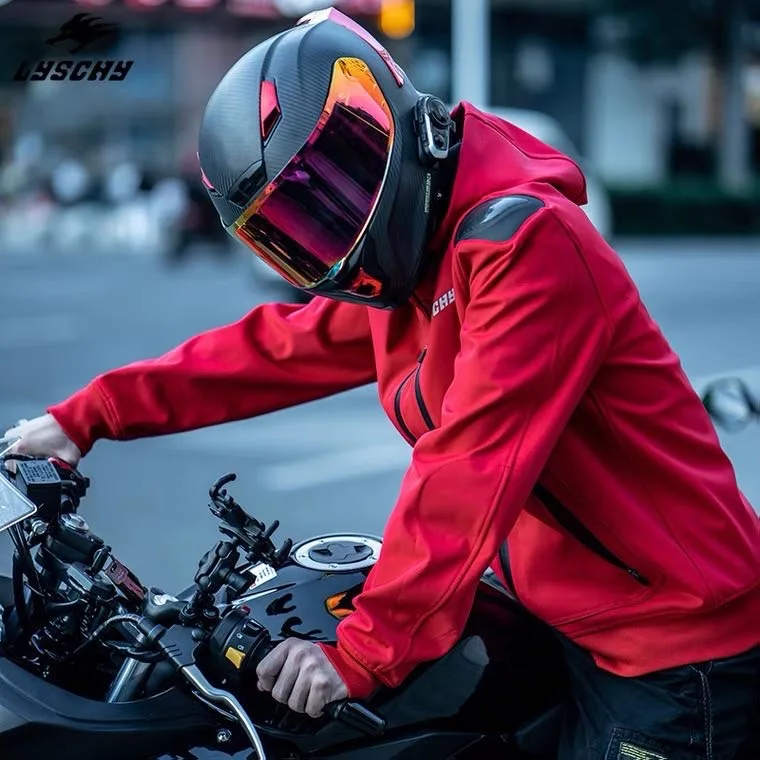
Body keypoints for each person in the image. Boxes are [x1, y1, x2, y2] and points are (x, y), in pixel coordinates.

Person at [5, 9, 759, 759]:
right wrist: (88, 416)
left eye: (332, 189)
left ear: (388, 128)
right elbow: (277, 347)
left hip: (673, 650)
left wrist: (367, 650)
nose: (330, 234)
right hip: (558, 617)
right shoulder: (414, 262)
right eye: (296, 228)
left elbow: (471, 464)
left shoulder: (526, 244)